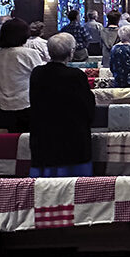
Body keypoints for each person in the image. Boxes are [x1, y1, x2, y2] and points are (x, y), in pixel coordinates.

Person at [28, 33, 96, 177]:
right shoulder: (76, 75)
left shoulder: (37, 73)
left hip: (44, 135)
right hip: (73, 137)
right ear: (71, 53)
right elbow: (88, 106)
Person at [0, 18, 43, 132]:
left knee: (13, 139)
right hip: (26, 103)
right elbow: (39, 76)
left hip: (5, 104)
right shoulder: (28, 54)